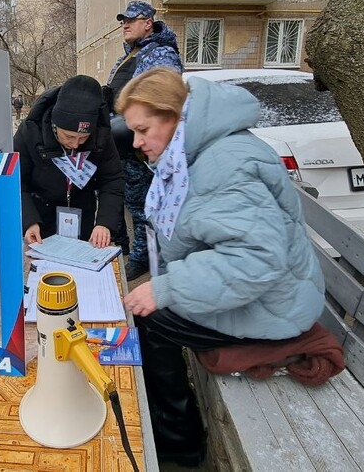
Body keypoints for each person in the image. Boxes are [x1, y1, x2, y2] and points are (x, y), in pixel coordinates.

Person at [116, 67, 325, 468]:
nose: (137, 143)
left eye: (143, 130)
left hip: (271, 305)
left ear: (175, 116)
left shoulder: (225, 164)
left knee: (150, 322)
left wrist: (166, 288)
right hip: (269, 293)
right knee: (147, 312)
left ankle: (179, 447)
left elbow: (254, 259)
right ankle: (172, 430)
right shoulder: (200, 154)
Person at [105, 1, 183, 281]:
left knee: (142, 207)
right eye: (123, 21)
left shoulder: (160, 54)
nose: (124, 25)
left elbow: (164, 103)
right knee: (127, 200)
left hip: (141, 148)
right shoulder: (131, 55)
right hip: (123, 143)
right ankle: (126, 247)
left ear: (148, 23)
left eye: (131, 20)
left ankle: (144, 258)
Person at [14, 75, 124, 247]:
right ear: (55, 124)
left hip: (83, 216)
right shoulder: (30, 132)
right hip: (41, 218)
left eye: (83, 138)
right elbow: (17, 182)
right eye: (69, 136)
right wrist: (29, 221)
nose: (75, 145)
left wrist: (104, 223)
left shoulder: (101, 136)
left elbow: (112, 180)